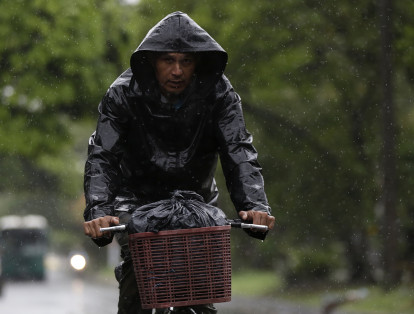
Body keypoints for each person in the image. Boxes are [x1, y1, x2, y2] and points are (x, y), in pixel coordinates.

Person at [83, 11, 275, 314]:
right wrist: (99, 211)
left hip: (195, 200)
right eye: (167, 61)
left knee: (199, 286)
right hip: (135, 201)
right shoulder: (122, 93)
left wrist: (256, 206)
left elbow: (238, 149)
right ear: (151, 62)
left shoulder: (219, 93)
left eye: (185, 61)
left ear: (198, 63)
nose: (176, 71)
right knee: (139, 284)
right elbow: (103, 155)